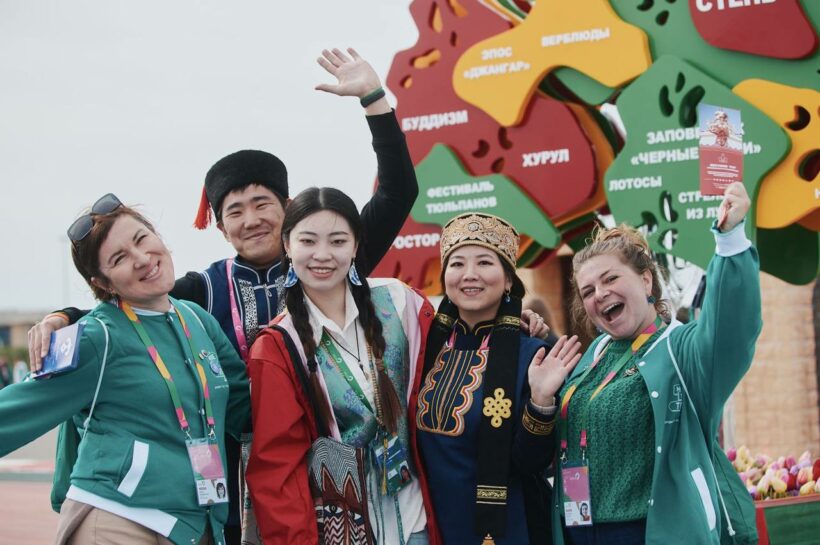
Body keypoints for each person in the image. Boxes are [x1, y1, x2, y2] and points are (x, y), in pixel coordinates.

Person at [27, 47, 420, 545]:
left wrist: (374, 101)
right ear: (218, 225)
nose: (250, 219)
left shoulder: (327, 264)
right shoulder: (202, 290)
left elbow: (397, 193)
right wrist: (63, 316)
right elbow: (124, 303)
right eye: (234, 211)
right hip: (239, 472)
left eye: (262, 204)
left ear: (288, 207)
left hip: (348, 460)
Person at [0, 194, 250, 545]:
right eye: (119, 258)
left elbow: (246, 406)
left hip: (192, 525)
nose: (142, 258)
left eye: (141, 239)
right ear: (103, 283)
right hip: (117, 519)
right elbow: (16, 410)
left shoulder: (197, 320)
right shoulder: (95, 337)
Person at [551, 182, 760, 545]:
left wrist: (730, 240)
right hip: (580, 529)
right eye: (588, 291)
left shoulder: (681, 349)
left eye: (610, 278)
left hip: (649, 532)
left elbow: (729, 327)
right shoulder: (594, 354)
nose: (600, 293)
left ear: (646, 280)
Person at [244, 187, 439, 545]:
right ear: (287, 245)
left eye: (337, 241)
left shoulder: (400, 302)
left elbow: (455, 354)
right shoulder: (278, 346)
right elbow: (278, 468)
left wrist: (510, 324)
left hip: (420, 520)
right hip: (344, 531)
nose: (323, 255)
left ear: (355, 245)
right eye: (308, 241)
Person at [415, 212, 582, 545]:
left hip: (507, 527)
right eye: (457, 263)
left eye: (484, 262)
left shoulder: (533, 354)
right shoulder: (423, 346)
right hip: (431, 526)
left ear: (508, 280)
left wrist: (540, 402)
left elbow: (530, 462)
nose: (469, 274)